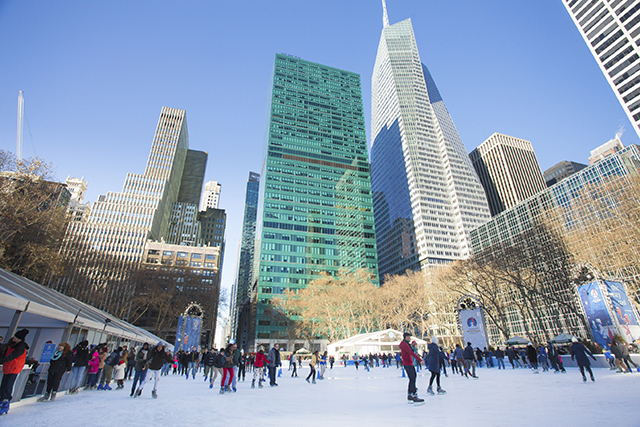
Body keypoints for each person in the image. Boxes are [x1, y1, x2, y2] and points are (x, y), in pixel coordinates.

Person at [0, 329, 30, 415]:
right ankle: (2, 400)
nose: (13, 338)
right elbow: (5, 352)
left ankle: (5, 404)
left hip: (14, 368)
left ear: (19, 339)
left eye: (16, 337)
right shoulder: (11, 344)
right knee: (3, 385)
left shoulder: (21, 347)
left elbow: (12, 356)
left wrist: (2, 360)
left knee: (8, 386)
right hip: (7, 367)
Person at [400, 332, 424, 403]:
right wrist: (420, 360)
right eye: (408, 337)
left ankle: (410, 394)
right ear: (404, 337)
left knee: (413, 378)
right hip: (407, 363)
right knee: (412, 378)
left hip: (409, 363)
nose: (409, 338)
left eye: (409, 337)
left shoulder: (407, 344)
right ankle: (413, 394)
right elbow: (411, 353)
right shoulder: (405, 345)